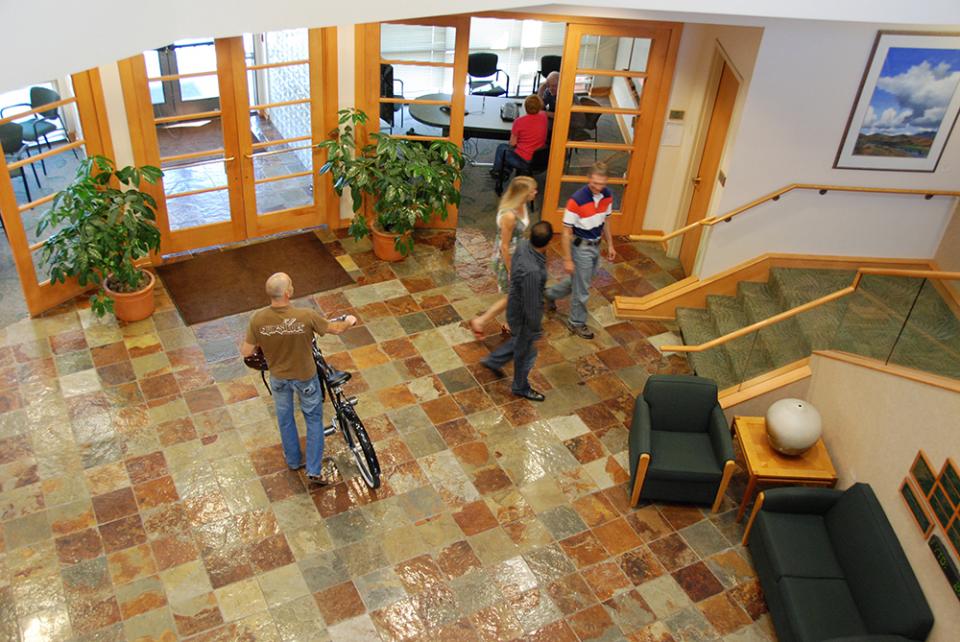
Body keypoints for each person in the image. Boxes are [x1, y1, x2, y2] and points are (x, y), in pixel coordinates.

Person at [240, 273, 357, 484]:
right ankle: (313, 469)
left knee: (285, 419)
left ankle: (293, 461)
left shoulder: (258, 319)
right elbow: (336, 328)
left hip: (278, 378)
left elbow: (246, 351)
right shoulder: (305, 316)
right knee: (312, 420)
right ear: (287, 293)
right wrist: (349, 321)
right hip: (305, 378)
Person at [480, 221, 554, 402]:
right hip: (523, 317)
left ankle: (493, 361)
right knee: (527, 353)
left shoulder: (522, 246)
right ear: (547, 243)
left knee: (519, 343)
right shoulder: (533, 272)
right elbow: (530, 305)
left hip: (514, 306)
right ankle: (520, 387)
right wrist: (536, 327)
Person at [544, 162, 617, 340]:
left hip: (596, 246)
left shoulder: (607, 196)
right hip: (581, 247)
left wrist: (611, 244)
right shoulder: (576, 200)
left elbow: (606, 221)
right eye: (594, 183)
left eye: (602, 184)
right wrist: (568, 259)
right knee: (582, 288)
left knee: (579, 280)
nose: (598, 187)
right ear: (589, 178)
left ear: (606, 182)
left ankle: (548, 294)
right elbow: (566, 231)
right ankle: (576, 322)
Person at [468, 176, 537, 339]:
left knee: (516, 294)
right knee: (513, 295)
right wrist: (511, 270)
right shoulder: (510, 216)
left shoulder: (522, 205)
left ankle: (509, 323)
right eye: (532, 190)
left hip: (518, 253)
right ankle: (481, 321)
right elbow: (504, 246)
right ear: (523, 193)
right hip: (508, 259)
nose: (535, 192)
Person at [491, 94, 548, 182]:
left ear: (525, 107)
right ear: (540, 106)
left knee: (502, 148)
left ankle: (498, 172)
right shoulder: (543, 116)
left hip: (523, 161)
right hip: (539, 158)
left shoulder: (519, 121)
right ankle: (506, 171)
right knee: (510, 151)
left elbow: (512, 143)